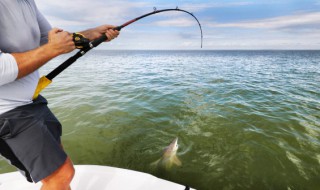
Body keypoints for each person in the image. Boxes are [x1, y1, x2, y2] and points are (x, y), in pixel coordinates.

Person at [0, 0, 119, 189]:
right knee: (61, 175)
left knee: (60, 169)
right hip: (6, 110)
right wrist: (52, 49)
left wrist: (91, 34)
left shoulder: (26, 2)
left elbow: (48, 40)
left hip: (31, 101)